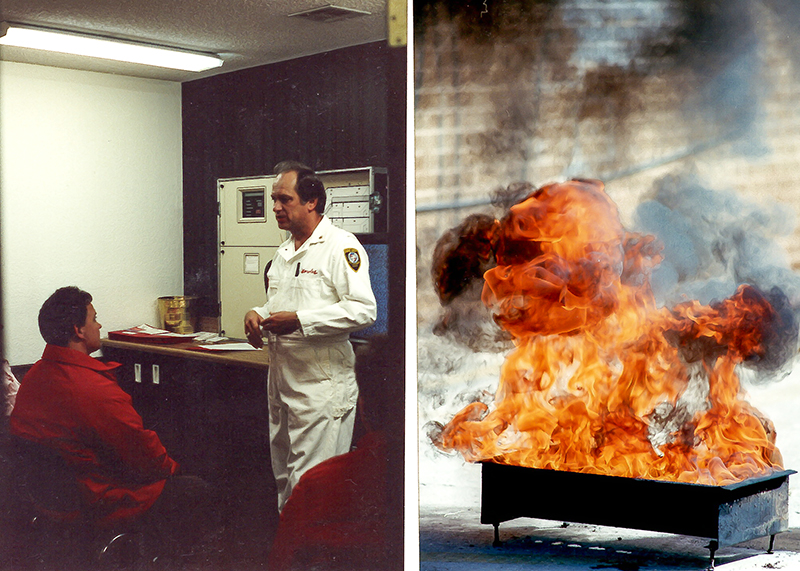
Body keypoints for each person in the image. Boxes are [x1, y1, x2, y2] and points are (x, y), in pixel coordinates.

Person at [9, 286, 213, 552]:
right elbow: (144, 455)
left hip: (49, 499)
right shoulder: (91, 387)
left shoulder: (34, 376)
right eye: (94, 319)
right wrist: (176, 469)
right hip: (95, 499)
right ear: (78, 330)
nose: (99, 325)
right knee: (197, 487)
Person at [244, 161, 377, 511]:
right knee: (286, 483)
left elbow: (364, 309)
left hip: (321, 388)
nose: (275, 207)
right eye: (274, 199)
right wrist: (258, 312)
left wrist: (301, 321)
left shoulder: (340, 247)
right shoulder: (286, 250)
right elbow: (282, 302)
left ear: (312, 202)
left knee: (312, 489)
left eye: (284, 199)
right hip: (283, 381)